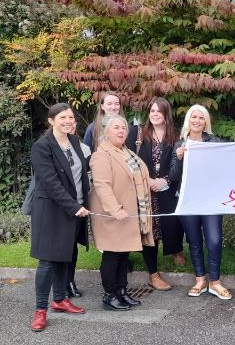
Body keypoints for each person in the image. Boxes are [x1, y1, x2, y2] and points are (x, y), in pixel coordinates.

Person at [29, 103, 90, 331]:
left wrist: (83, 203)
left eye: (71, 117)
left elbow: (81, 175)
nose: (68, 121)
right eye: (62, 117)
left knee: (66, 255)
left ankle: (60, 299)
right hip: (51, 210)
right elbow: (51, 183)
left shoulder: (74, 142)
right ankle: (40, 310)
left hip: (74, 208)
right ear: (51, 120)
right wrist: (73, 206)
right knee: (47, 261)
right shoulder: (42, 146)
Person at [90, 115, 154, 311]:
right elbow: (102, 185)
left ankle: (122, 291)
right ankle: (110, 296)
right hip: (112, 215)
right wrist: (115, 209)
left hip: (129, 213)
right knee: (112, 255)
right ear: (106, 132)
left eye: (123, 128)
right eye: (116, 127)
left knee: (123, 255)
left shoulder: (126, 152)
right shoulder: (101, 155)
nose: (120, 131)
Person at [169, 105, 230, 300]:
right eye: (193, 117)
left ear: (206, 122)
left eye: (201, 117)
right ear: (188, 120)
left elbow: (233, 158)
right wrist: (178, 158)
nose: (197, 120)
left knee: (214, 239)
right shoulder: (180, 144)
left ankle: (215, 281)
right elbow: (172, 177)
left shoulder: (214, 142)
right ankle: (200, 280)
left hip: (211, 199)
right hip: (188, 200)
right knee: (194, 240)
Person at [128, 97, 186, 291]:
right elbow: (131, 161)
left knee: (173, 224)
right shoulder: (138, 135)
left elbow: (179, 165)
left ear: (166, 114)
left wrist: (166, 181)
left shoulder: (176, 136)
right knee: (150, 230)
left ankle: (175, 250)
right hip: (145, 189)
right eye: (152, 111)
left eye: (158, 111)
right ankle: (153, 273)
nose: (154, 114)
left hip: (168, 188)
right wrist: (148, 181)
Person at [65, 119, 92, 299]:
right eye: (65, 120)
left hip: (79, 204)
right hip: (60, 206)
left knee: (72, 247)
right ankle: (60, 285)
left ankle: (70, 281)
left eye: (73, 122)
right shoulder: (50, 147)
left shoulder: (84, 149)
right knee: (60, 248)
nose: (70, 124)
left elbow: (88, 176)